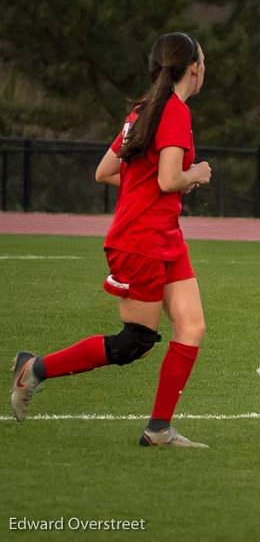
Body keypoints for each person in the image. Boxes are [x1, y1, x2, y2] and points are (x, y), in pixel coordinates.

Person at [10, 32, 212, 447]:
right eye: (204, 61)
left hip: (165, 235)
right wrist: (196, 175)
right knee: (133, 343)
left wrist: (154, 186)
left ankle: (158, 429)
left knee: (191, 327)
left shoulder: (143, 111)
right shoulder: (172, 112)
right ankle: (34, 368)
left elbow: (106, 171)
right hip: (141, 240)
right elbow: (170, 178)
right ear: (193, 68)